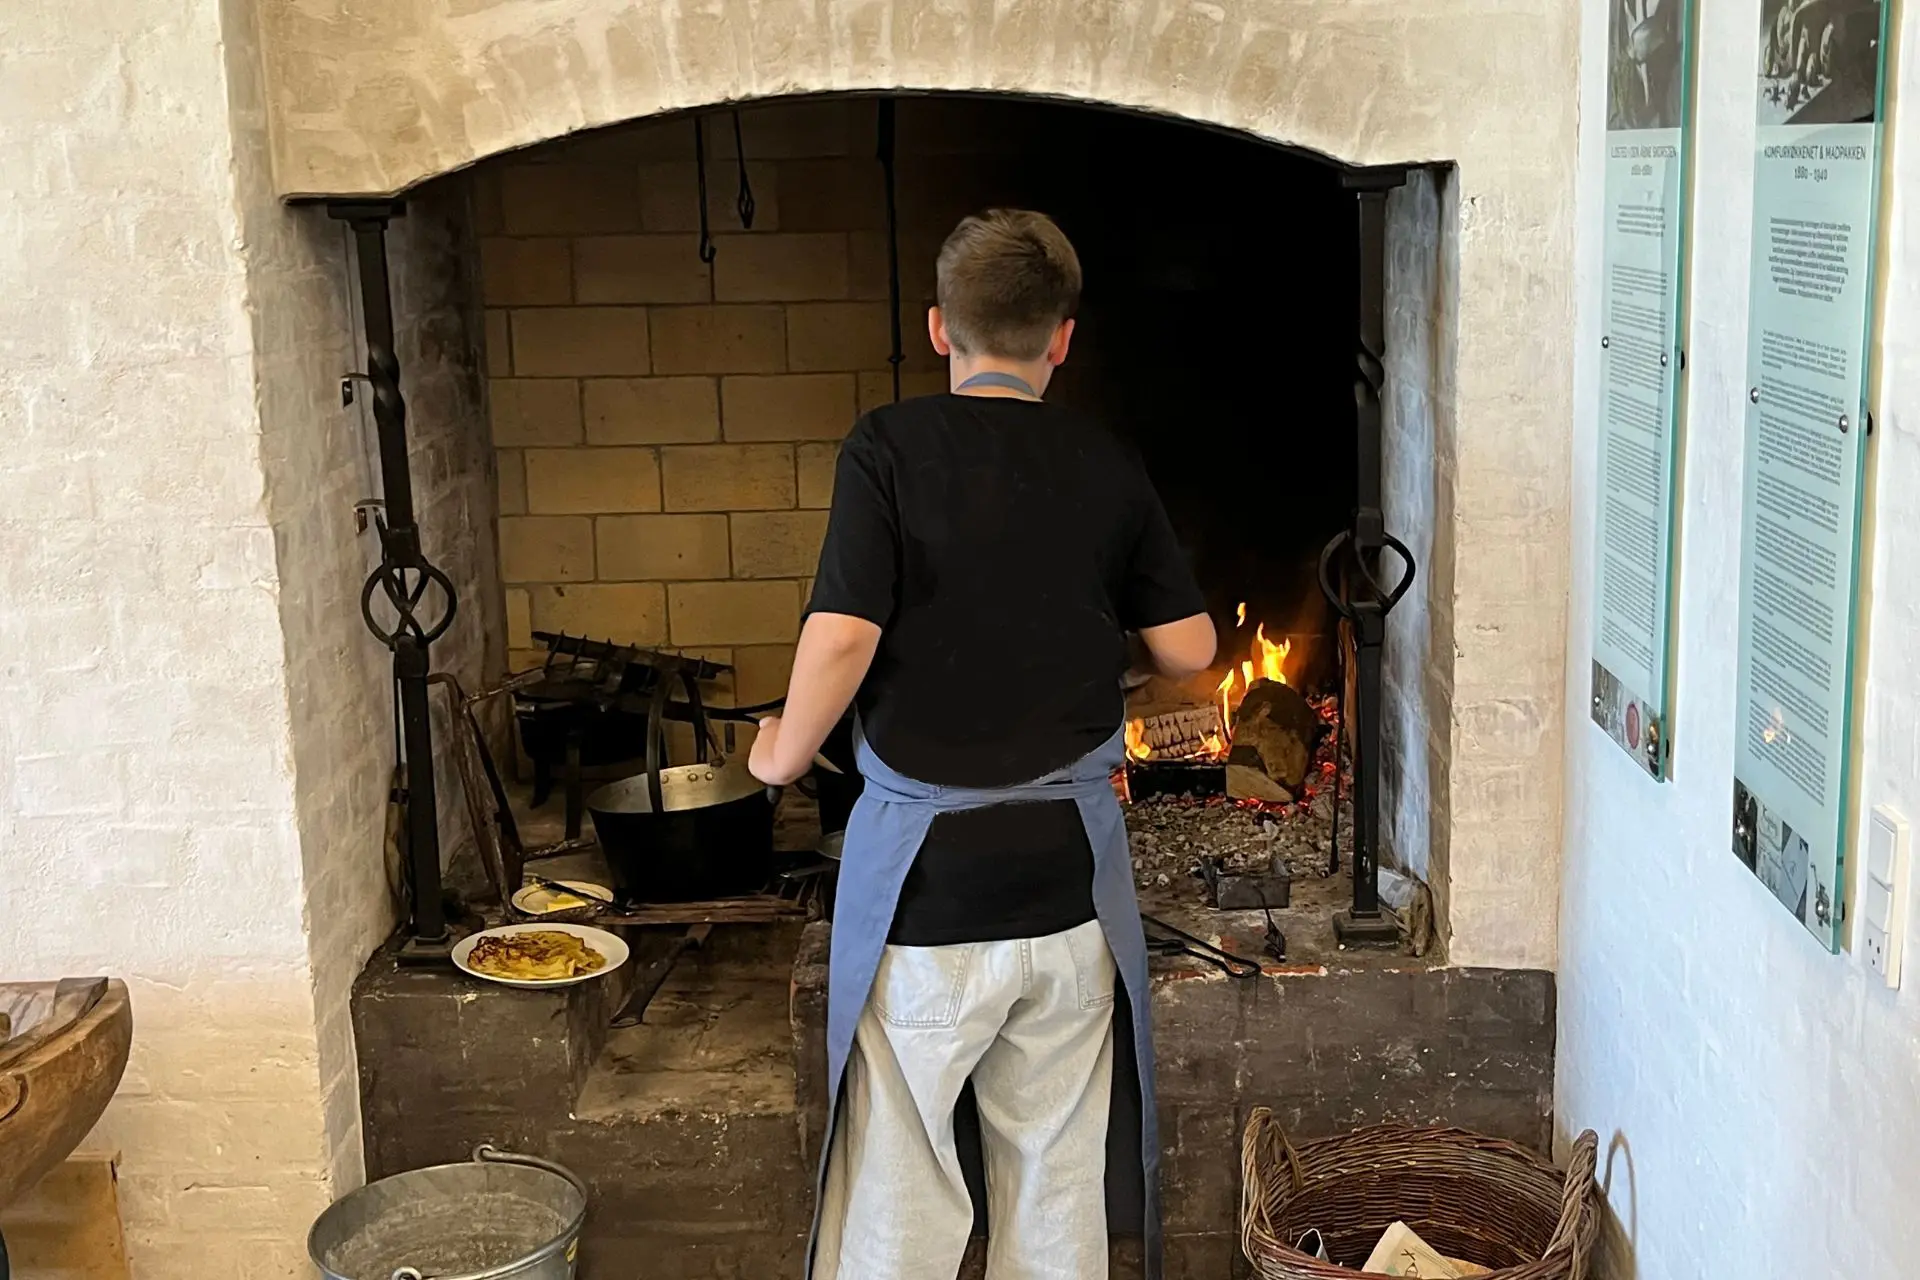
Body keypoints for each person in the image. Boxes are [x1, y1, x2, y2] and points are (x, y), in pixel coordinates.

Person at [749, 208, 1216, 1280]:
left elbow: (844, 635)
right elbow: (1191, 647)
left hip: (928, 906)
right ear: (1063, 339)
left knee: (902, 1191)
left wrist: (779, 757)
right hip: (1067, 896)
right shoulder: (1104, 456)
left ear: (937, 328)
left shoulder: (887, 446)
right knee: (1054, 1184)